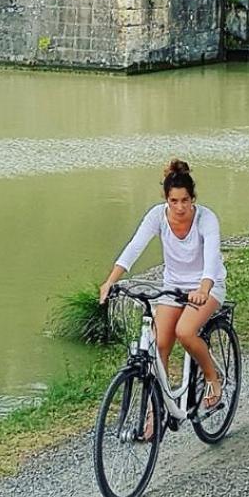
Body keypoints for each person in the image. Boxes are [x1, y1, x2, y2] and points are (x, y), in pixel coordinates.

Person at [99, 159, 226, 411]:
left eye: (185, 201)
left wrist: (203, 288)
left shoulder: (206, 219)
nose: (179, 208)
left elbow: (211, 258)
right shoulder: (157, 216)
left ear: (193, 199)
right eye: (173, 201)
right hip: (173, 287)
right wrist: (111, 281)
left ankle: (213, 378)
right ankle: (156, 412)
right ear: (166, 199)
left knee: (186, 332)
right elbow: (135, 247)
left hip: (207, 287)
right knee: (159, 346)